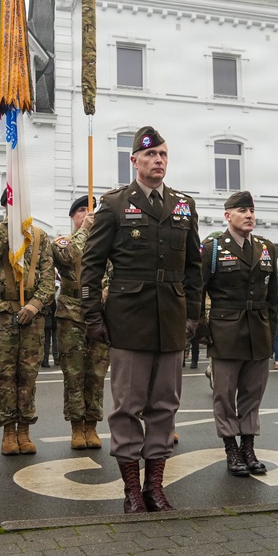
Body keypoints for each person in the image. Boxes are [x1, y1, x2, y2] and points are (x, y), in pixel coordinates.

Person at [80, 126, 202, 514]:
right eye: (150, 155)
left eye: (163, 154)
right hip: (128, 321)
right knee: (127, 407)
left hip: (171, 319)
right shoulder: (115, 204)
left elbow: (194, 270)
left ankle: (156, 486)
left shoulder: (184, 205)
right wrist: (92, 317)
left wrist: (193, 316)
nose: (158, 161)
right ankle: (132, 488)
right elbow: (92, 265)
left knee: (165, 405)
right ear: (134, 161)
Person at [197, 191, 277, 477]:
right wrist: (203, 330)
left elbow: (273, 296)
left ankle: (249, 447)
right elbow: (198, 290)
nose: (249, 215)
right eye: (242, 210)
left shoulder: (266, 247)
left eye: (252, 210)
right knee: (224, 394)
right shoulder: (214, 247)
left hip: (258, 332)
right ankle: (231, 449)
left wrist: (271, 333)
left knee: (253, 394)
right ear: (227, 215)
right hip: (225, 331)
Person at [0, 189, 55, 455]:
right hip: (3, 314)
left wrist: (34, 305)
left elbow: (49, 279)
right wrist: (9, 230)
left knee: (28, 375)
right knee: (6, 375)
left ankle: (25, 429)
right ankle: (8, 431)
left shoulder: (39, 237)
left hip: (32, 316)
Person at [52, 195, 108, 450]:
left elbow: (116, 269)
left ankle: (92, 425)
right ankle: (77, 427)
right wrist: (85, 230)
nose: (87, 214)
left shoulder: (105, 241)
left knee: (96, 373)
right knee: (74, 374)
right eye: (82, 210)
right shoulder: (62, 241)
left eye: (91, 210)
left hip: (99, 311)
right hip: (71, 312)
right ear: (73, 216)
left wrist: (108, 290)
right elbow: (66, 257)